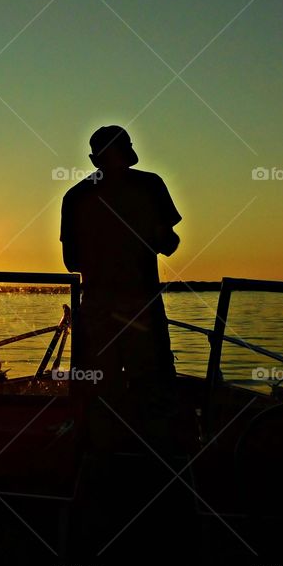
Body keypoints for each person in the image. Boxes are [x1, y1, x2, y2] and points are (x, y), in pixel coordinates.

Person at [59, 125, 181, 453]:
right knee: (152, 383)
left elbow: (71, 262)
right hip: (143, 306)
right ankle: (156, 456)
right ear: (127, 151)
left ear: (94, 158)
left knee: (100, 386)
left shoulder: (75, 196)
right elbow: (169, 244)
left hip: (97, 308)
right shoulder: (150, 186)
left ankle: (101, 457)